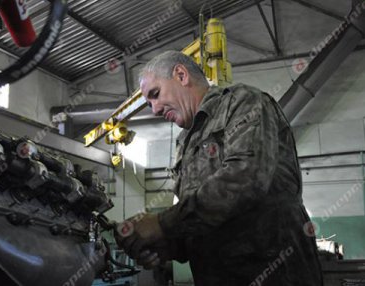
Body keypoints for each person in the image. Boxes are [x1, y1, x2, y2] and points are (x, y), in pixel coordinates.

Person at [115, 51, 323, 285]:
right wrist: (167, 245)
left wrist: (161, 224)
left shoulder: (243, 103)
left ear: (181, 75)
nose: (155, 110)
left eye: (155, 94)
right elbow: (203, 221)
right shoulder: (185, 143)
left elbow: (247, 180)